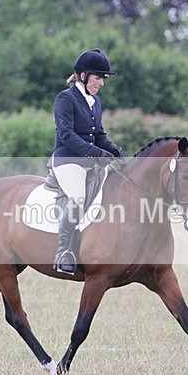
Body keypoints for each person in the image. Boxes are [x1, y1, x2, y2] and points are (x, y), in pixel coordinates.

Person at [51, 48, 124, 275]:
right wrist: (96, 153)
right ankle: (62, 252)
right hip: (67, 161)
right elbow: (67, 135)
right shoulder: (65, 99)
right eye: (98, 77)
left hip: (90, 162)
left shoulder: (95, 101)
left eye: (103, 78)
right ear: (82, 75)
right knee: (79, 197)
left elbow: (99, 134)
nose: (101, 83)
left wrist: (113, 150)